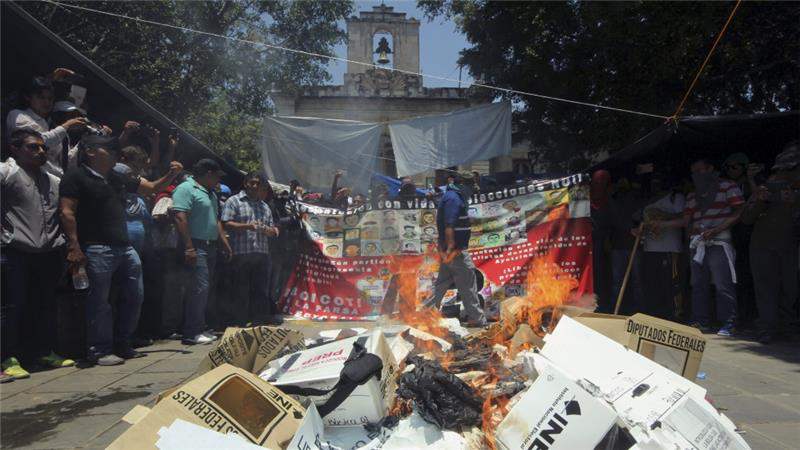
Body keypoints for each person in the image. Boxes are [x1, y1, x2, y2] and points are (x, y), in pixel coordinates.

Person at [59, 135, 183, 365]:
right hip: (96, 248)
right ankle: (99, 350)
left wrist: (171, 174)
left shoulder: (116, 178)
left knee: (135, 295)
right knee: (99, 301)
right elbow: (67, 212)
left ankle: (123, 343)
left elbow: (151, 188)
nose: (114, 152)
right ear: (91, 151)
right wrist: (74, 246)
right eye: (108, 149)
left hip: (124, 247)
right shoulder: (75, 177)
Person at [1, 130, 75, 381]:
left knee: (44, 305)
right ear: (15, 149)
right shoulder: (6, 174)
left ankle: (42, 352)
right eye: (33, 147)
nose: (41, 152)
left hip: (47, 252)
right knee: (13, 307)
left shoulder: (52, 180)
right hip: (16, 252)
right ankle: (7, 358)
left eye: (43, 148)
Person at [654, 157, 744, 336]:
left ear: (711, 168)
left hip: (719, 241)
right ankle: (700, 321)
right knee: (697, 284)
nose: (697, 175)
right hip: (697, 243)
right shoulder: (692, 195)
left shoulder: (728, 186)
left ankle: (729, 322)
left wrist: (717, 229)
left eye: (700, 170)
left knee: (722, 283)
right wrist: (660, 224)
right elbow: (686, 221)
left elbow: (739, 211)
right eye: (694, 172)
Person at [741, 142, 800, 344]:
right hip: (763, 248)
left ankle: (787, 327)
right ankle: (766, 328)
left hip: (789, 248)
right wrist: (759, 199)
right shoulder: (765, 189)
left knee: (790, 289)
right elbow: (746, 218)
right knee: (766, 288)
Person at [172, 159, 232, 345]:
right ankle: (191, 332)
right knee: (198, 288)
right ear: (207, 174)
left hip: (210, 245)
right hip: (194, 245)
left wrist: (224, 242)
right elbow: (180, 217)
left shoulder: (210, 194)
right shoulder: (186, 189)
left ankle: (200, 325)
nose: (218, 181)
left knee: (205, 289)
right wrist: (189, 247)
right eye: (216, 176)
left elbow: (215, 220)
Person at [423, 176, 486, 327]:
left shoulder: (451, 196)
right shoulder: (454, 199)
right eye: (471, 185)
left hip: (450, 251)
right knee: (468, 284)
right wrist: (451, 247)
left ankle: (424, 313)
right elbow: (449, 225)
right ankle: (477, 319)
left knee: (441, 284)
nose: (472, 189)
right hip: (456, 250)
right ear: (463, 184)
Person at [221, 173, 280, 326]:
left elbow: (272, 229)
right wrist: (248, 226)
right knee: (241, 291)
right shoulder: (234, 201)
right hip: (241, 254)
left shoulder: (264, 206)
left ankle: (258, 324)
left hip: (261, 254)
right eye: (251, 183)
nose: (254, 186)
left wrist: (269, 230)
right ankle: (239, 324)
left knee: (260, 291)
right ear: (245, 183)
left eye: (257, 184)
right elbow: (226, 223)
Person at [6, 73, 88, 177]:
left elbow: (66, 161)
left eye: (50, 99)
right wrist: (66, 126)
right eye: (41, 97)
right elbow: (38, 142)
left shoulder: (54, 127)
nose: (46, 102)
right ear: (28, 97)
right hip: (30, 177)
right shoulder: (17, 115)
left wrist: (85, 140)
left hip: (55, 180)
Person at [637, 173, 685, 320]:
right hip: (650, 248)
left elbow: (683, 216)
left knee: (671, 284)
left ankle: (674, 315)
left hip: (669, 248)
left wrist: (659, 215)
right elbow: (640, 219)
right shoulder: (646, 200)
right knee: (653, 283)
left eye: (658, 182)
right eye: (653, 183)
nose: (655, 186)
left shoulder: (676, 197)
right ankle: (655, 314)